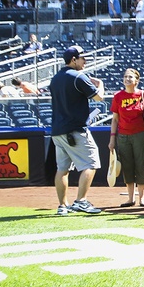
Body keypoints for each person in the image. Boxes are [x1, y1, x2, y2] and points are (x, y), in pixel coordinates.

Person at [50, 46, 104, 215]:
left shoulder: (55, 78)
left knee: (62, 169)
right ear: (73, 59)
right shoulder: (78, 76)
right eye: (82, 58)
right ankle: (81, 201)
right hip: (75, 130)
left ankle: (62, 206)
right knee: (91, 163)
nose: (85, 61)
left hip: (57, 131)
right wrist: (100, 84)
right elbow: (99, 97)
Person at [109, 68, 144, 208]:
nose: (127, 79)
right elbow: (115, 119)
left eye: (130, 77)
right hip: (124, 136)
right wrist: (112, 139)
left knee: (142, 165)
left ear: (137, 80)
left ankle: (142, 198)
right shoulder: (118, 96)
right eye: (125, 76)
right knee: (127, 166)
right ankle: (130, 198)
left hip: (141, 135)